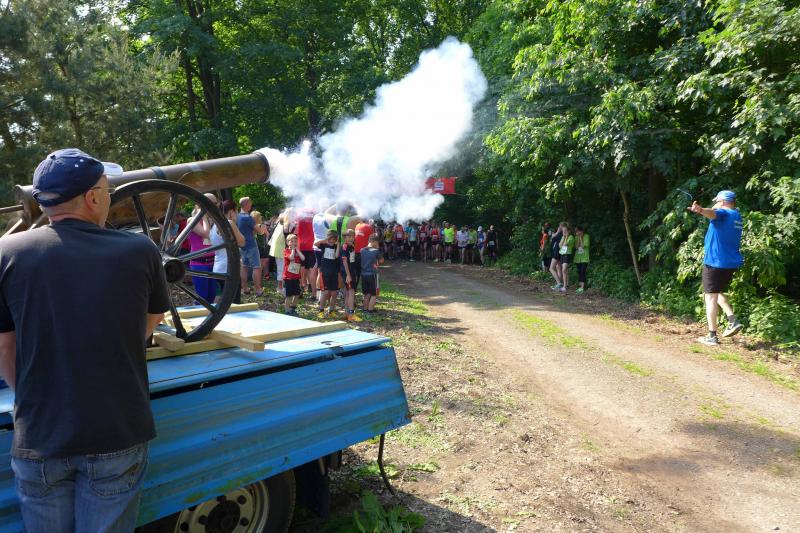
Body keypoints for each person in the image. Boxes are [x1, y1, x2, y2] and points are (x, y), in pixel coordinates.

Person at [0, 148, 171, 532]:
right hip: (116, 431)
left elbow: (4, 347)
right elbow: (148, 324)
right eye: (107, 190)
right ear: (93, 197)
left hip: (39, 435)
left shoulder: (6, 253)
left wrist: (32, 398)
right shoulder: (140, 250)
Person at [690, 190, 745, 346]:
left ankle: (712, 336)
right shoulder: (737, 216)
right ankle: (732, 320)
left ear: (723, 201)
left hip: (715, 262)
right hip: (730, 263)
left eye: (717, 201)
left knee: (709, 297)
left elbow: (713, 213)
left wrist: (701, 210)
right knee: (716, 292)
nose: (715, 203)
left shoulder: (723, 213)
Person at [213, 200, 246, 303]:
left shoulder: (214, 224)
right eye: (236, 211)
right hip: (229, 268)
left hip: (218, 268)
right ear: (232, 211)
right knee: (233, 302)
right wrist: (234, 223)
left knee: (221, 298)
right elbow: (242, 242)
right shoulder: (229, 223)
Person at [187, 193, 218, 304]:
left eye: (216, 203)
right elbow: (206, 234)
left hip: (213, 263)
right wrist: (203, 216)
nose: (215, 206)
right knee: (202, 297)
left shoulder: (212, 220)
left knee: (212, 295)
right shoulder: (192, 220)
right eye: (212, 203)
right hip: (199, 264)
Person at [237, 197, 267, 296]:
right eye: (250, 203)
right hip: (251, 245)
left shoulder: (237, 216)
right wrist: (263, 227)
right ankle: (258, 290)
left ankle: (244, 288)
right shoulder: (247, 217)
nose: (251, 205)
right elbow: (260, 232)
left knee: (244, 267)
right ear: (246, 204)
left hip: (241, 245)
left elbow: (247, 230)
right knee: (256, 267)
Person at [315, 230, 341, 318]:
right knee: (325, 292)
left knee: (334, 293)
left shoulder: (336, 247)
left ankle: (331, 310)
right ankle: (321, 310)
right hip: (325, 272)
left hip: (334, 272)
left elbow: (336, 256)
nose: (332, 241)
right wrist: (325, 240)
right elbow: (315, 244)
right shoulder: (324, 245)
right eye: (330, 239)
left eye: (334, 239)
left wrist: (338, 245)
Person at [341, 229, 362, 322]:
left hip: (352, 272)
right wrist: (348, 275)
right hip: (347, 273)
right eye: (349, 236)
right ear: (344, 237)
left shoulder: (352, 246)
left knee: (348, 293)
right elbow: (345, 262)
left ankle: (346, 314)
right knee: (351, 292)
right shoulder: (344, 247)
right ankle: (351, 314)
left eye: (353, 236)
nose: (351, 238)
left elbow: (352, 261)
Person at [360, 234, 384, 313]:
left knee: (366, 293)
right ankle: (370, 310)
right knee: (374, 294)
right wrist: (377, 249)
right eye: (377, 243)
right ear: (375, 242)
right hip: (372, 275)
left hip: (363, 274)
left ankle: (365, 309)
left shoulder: (362, 250)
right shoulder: (376, 251)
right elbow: (381, 261)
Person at [282, 234, 304, 316]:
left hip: (296, 277)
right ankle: (287, 310)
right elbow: (291, 258)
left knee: (297, 294)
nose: (294, 243)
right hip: (288, 277)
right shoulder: (286, 251)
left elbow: (303, 258)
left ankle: (293, 308)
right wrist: (293, 250)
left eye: (295, 241)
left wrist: (297, 250)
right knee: (289, 295)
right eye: (291, 241)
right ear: (288, 242)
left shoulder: (297, 251)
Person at [268, 213, 287, 296]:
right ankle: (280, 288)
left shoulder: (279, 224)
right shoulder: (283, 226)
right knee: (281, 270)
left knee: (281, 269)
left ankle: (281, 287)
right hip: (280, 250)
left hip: (278, 249)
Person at [252, 210, 270, 284]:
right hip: (262, 248)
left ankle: (257, 283)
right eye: (260, 216)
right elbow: (268, 235)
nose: (261, 217)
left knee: (257, 267)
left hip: (255, 248)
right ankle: (259, 283)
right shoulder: (262, 226)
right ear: (257, 218)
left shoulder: (252, 226)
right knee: (261, 267)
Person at [558, 224, 575, 293]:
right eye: (563, 231)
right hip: (562, 255)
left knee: (564, 270)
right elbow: (560, 245)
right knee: (565, 270)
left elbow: (565, 244)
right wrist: (564, 237)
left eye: (565, 231)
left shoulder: (571, 237)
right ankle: (567, 284)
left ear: (568, 231)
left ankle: (564, 286)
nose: (564, 232)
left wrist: (566, 236)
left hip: (567, 255)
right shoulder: (563, 237)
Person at [574, 225, 590, 293]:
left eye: (578, 231)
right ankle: (581, 286)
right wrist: (578, 238)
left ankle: (582, 287)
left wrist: (580, 238)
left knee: (583, 271)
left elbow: (583, 246)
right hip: (578, 257)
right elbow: (576, 247)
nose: (577, 233)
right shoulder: (576, 237)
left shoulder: (586, 236)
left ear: (582, 231)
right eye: (576, 232)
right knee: (579, 271)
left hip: (584, 257)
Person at [549, 223, 564, 289]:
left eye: (560, 226)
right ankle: (559, 284)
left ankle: (559, 283)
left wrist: (557, 231)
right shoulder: (563, 234)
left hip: (556, 252)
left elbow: (552, 237)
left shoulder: (560, 234)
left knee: (551, 268)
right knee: (558, 267)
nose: (559, 227)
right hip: (559, 252)